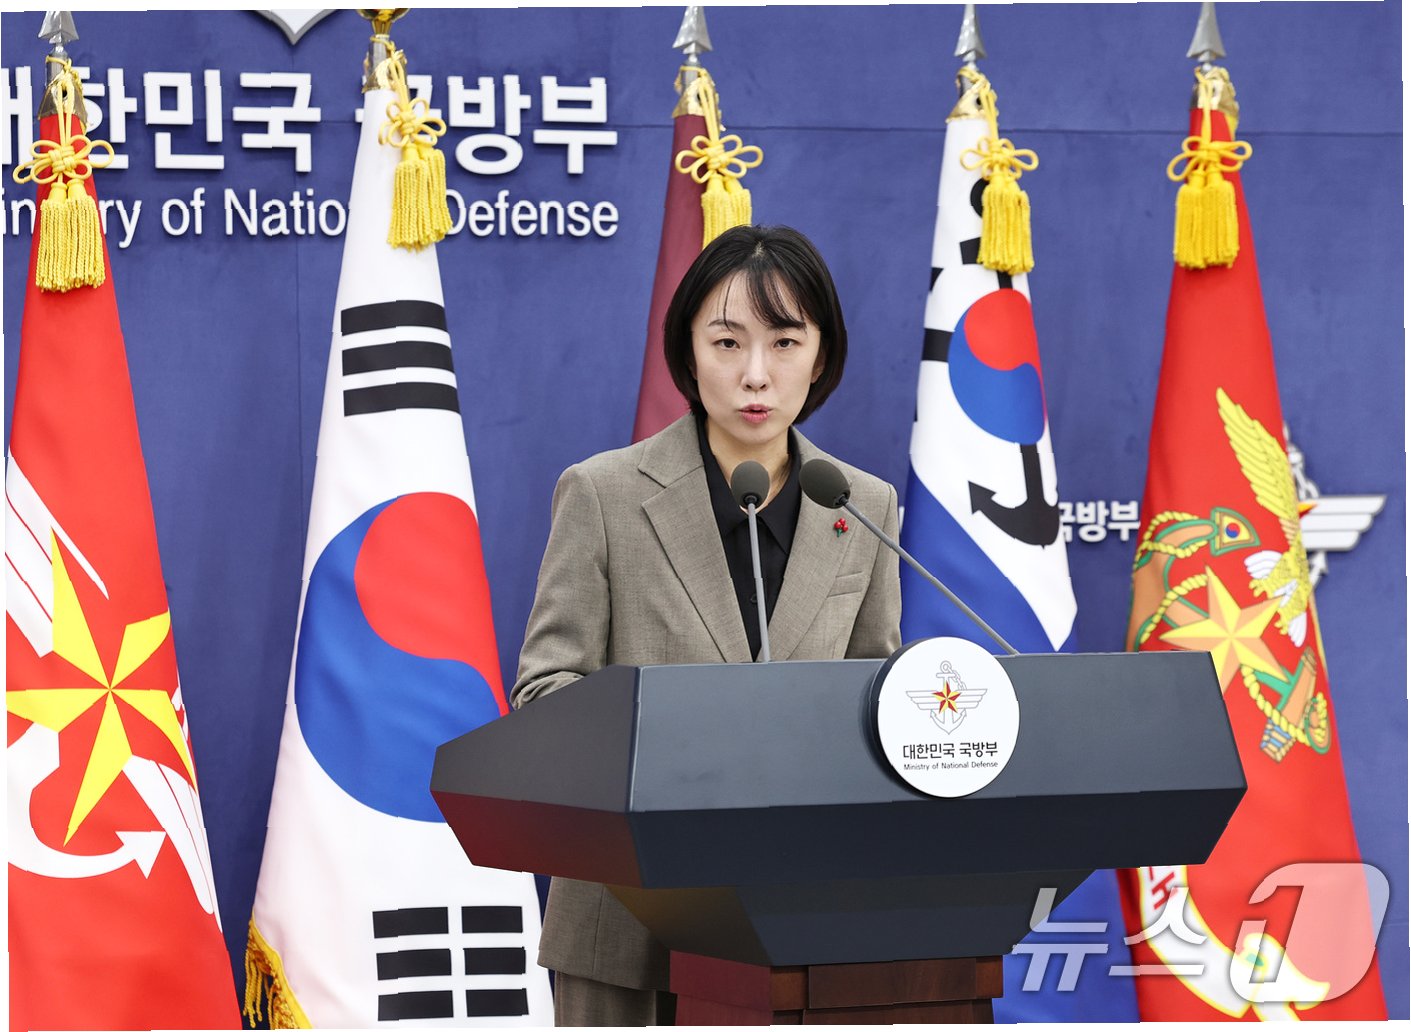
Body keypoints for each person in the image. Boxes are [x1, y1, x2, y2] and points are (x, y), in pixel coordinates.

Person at [511, 224, 902, 1026]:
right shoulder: (603, 493)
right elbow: (545, 692)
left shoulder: (860, 506)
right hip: (629, 920)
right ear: (688, 356)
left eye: (784, 342)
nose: (755, 374)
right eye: (727, 342)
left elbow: (875, 699)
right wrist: (682, 744)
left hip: (804, 919)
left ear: (820, 356)